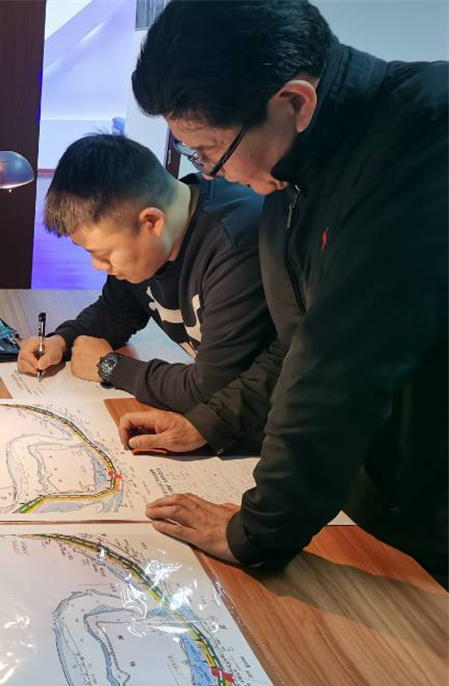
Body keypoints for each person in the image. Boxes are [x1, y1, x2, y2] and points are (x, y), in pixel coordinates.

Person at [125, 0, 449, 579]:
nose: (210, 173)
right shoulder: (289, 173)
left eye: (209, 152)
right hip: (360, 509)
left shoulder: (423, 135)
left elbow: (340, 366)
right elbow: (297, 342)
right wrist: (209, 423)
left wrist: (257, 530)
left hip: (430, 516)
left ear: (295, 103)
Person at [18, 134, 274, 416]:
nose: (98, 266)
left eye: (104, 253)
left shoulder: (235, 246)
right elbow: (116, 312)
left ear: (152, 222)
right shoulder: (150, 241)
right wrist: (59, 341)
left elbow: (211, 390)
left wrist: (110, 366)